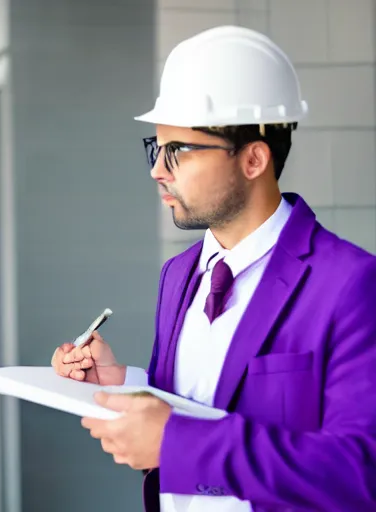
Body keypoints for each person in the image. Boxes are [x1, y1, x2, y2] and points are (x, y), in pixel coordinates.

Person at [52, 25, 376, 512]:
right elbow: (197, 402)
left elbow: (360, 470)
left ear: (253, 159)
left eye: (178, 151)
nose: (157, 170)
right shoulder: (179, 274)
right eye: (155, 149)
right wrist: (121, 384)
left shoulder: (350, 284)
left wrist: (175, 443)